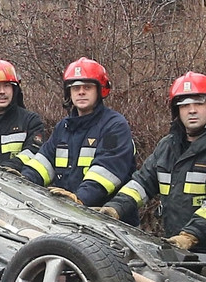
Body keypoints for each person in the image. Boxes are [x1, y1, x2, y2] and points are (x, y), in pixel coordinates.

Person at [95, 72, 206, 252]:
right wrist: (114, 209)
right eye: (184, 105)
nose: (191, 110)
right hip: (176, 247)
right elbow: (141, 184)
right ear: (177, 110)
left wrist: (190, 236)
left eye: (198, 103)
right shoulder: (167, 146)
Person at [21, 57, 135, 207]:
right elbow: (44, 162)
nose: (81, 92)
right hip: (69, 211)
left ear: (100, 90)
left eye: (87, 87)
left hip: (106, 218)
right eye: (75, 88)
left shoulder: (114, 126)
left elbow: (107, 171)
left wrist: (80, 198)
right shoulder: (64, 127)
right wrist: (23, 180)